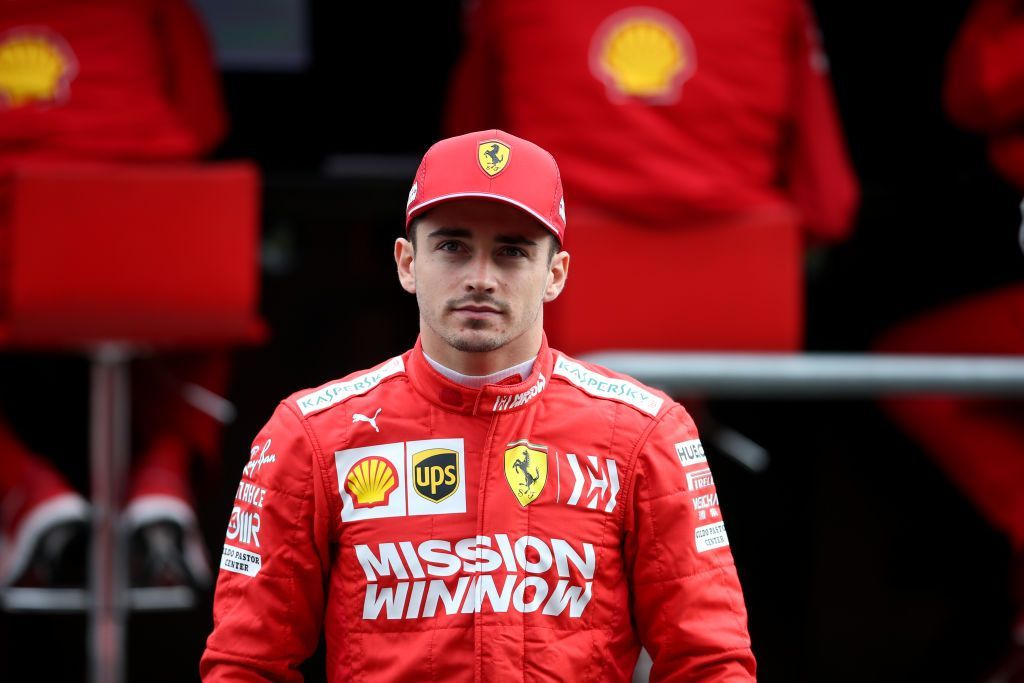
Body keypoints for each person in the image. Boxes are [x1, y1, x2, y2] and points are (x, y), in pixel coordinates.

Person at [201, 130, 756, 681]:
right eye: (453, 246)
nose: (481, 279)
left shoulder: (645, 433)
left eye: (512, 251)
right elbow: (245, 665)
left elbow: (710, 663)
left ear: (555, 274)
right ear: (407, 263)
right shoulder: (312, 434)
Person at [0, 0, 231, 588]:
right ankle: (163, 477)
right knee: (208, 306)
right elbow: (203, 124)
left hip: (16, 235)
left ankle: (22, 489)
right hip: (143, 231)